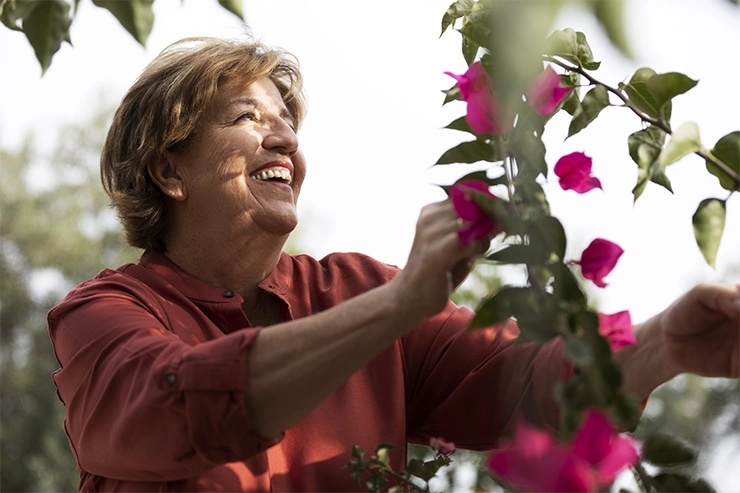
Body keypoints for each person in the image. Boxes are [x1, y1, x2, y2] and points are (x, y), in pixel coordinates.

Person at [47, 36, 740, 493]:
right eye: (246, 118)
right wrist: (398, 304)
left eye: (287, 121)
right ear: (169, 169)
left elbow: (526, 385)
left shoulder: (354, 289)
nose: (285, 135)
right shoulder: (102, 316)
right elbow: (173, 404)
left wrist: (663, 344)